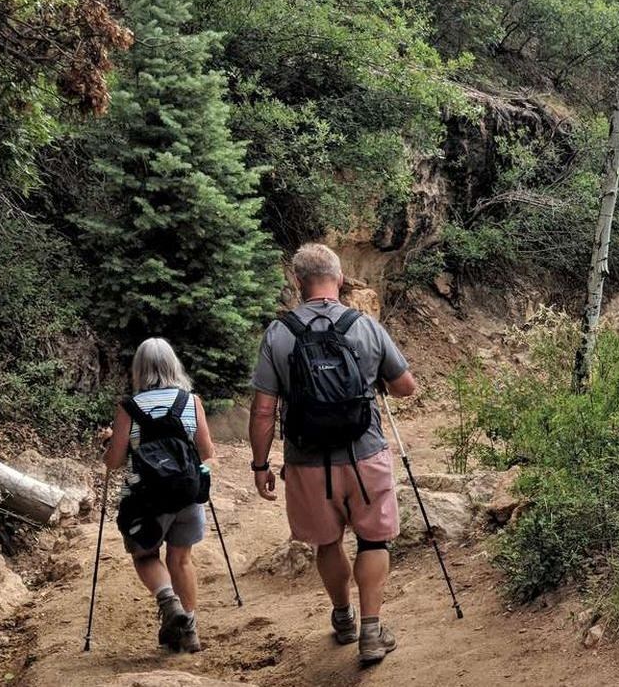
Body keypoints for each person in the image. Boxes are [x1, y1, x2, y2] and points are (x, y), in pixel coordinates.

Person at [249, 243, 418, 666]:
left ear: (297, 282)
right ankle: (372, 631)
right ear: (340, 279)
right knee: (373, 540)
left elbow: (263, 409)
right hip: (365, 455)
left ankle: (343, 618)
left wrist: (259, 464)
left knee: (327, 542)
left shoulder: (279, 334)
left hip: (307, 461)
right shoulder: (364, 326)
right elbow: (405, 387)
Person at [99, 337, 216, 654]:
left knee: (146, 556)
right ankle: (189, 630)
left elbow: (114, 461)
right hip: (187, 495)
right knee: (181, 559)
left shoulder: (129, 408)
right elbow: (207, 452)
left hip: (146, 501)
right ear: (172, 365)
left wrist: (108, 441)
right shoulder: (191, 402)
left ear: (139, 369)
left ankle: (168, 601)